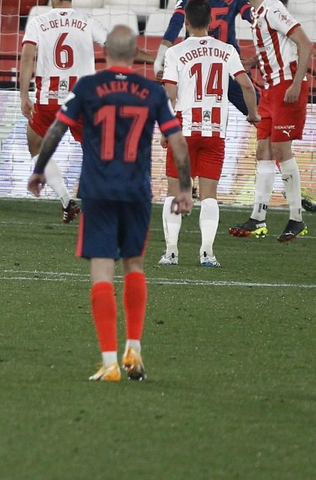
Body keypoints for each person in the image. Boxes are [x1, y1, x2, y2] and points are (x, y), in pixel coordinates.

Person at [28, 26, 193, 382]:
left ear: (104, 54)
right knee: (134, 265)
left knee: (102, 270)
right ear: (135, 55)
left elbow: (56, 129)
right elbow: (177, 140)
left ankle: (109, 361)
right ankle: (133, 346)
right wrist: (185, 188)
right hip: (136, 191)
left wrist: (40, 169)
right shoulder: (151, 90)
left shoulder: (87, 86)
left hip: (98, 190)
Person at [157, 0, 259, 268]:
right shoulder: (226, 50)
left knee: (175, 192)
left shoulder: (175, 53)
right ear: (211, 23)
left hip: (183, 131)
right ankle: (207, 253)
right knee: (209, 194)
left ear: (186, 22)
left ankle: (171, 252)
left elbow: (169, 94)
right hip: (215, 132)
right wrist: (253, 114)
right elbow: (247, 86)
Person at [228, 0, 314, 243]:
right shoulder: (257, 13)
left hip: (285, 87)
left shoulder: (274, 8)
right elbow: (275, 47)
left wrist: (295, 81)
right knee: (263, 150)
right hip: (269, 89)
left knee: (279, 148)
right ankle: (258, 218)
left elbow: (305, 43)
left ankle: (297, 218)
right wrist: (254, 60)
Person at [18, 0, 110, 222]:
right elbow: (115, 46)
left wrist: (24, 95)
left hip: (49, 101)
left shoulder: (38, 22)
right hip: (82, 101)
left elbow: (27, 58)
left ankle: (66, 200)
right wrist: (155, 61)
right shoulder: (86, 20)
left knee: (36, 146)